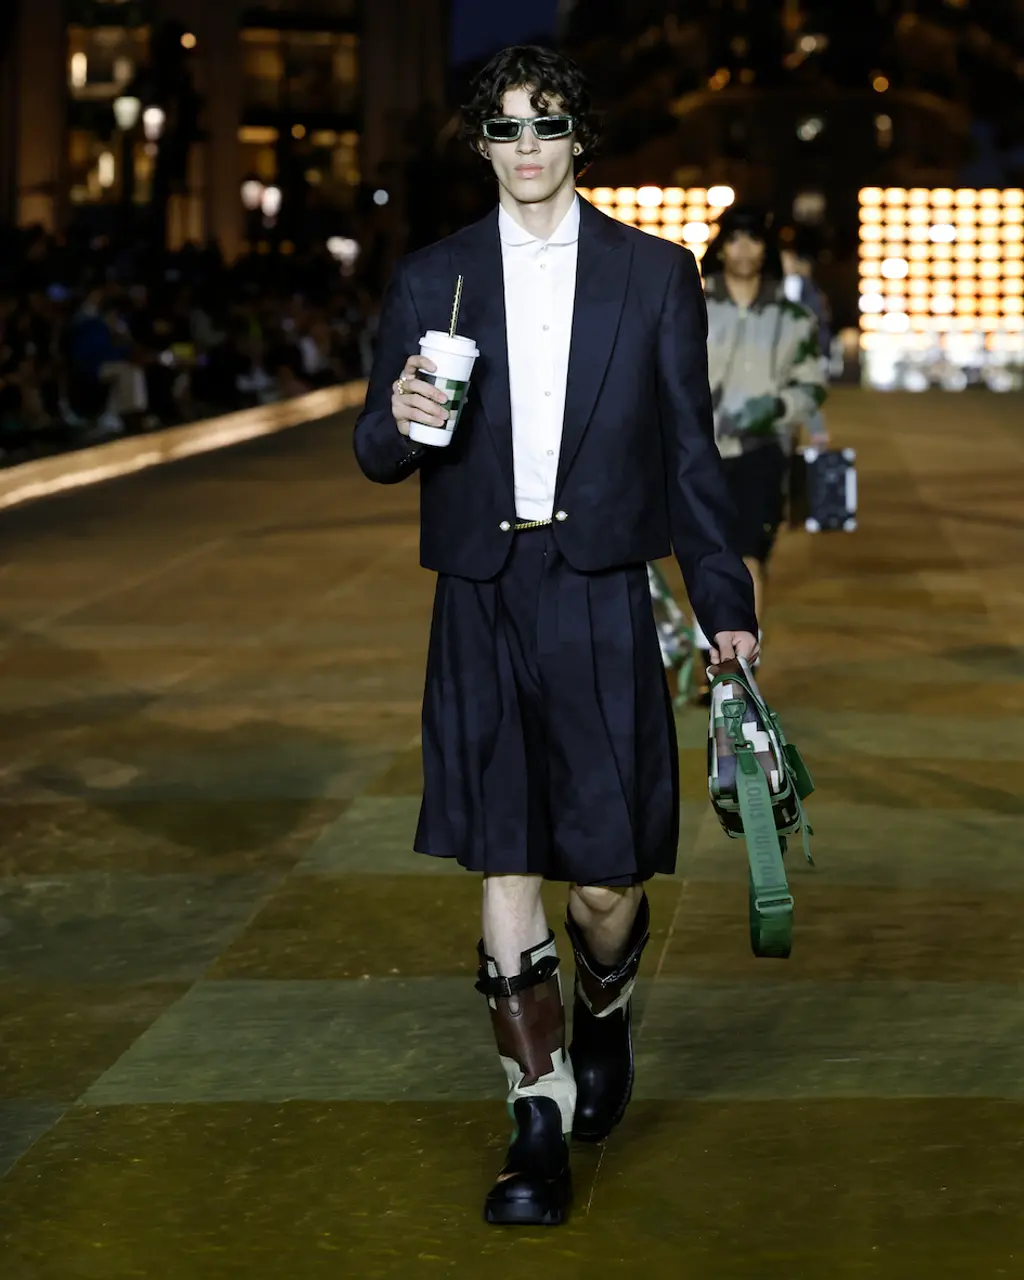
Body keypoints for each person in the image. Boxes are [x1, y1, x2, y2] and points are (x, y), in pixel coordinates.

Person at [353, 45, 757, 1227]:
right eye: (505, 127)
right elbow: (375, 450)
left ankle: (604, 1004)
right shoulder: (432, 279)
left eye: (547, 125)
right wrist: (400, 418)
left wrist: (727, 608)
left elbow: (690, 456)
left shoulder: (652, 273)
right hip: (480, 593)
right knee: (505, 855)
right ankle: (534, 1114)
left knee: (608, 881)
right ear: (480, 142)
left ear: (580, 137)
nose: (526, 148)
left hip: (599, 592)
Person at [692, 207, 827, 683]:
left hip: (761, 449)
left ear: (766, 249)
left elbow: (812, 384)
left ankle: (739, 666)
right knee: (704, 555)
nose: (744, 249)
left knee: (750, 553)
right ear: (721, 247)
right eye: (735, 238)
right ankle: (711, 656)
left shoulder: (793, 318)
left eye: (753, 238)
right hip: (699, 450)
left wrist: (776, 407)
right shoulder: (692, 306)